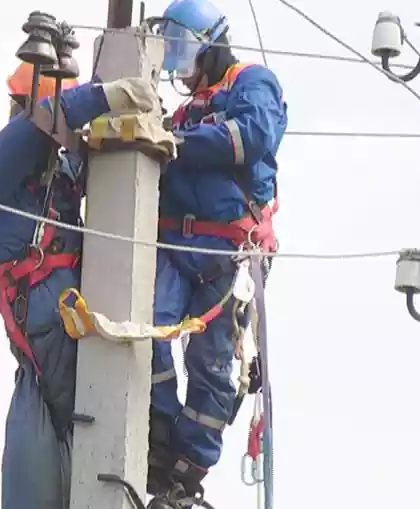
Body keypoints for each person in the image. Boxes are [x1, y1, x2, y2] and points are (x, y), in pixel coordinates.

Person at [0, 61, 160, 509]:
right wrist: (95, 98)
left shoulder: (59, 176)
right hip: (47, 361)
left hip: (75, 352)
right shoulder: (1, 194)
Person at [145, 0, 288, 506]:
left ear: (212, 46)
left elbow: (250, 136)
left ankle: (187, 467)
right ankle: (157, 436)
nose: (182, 72)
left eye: (186, 57)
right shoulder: (185, 112)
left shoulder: (253, 84)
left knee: (211, 366)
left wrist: (177, 141)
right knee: (148, 331)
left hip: (229, 252)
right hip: (178, 246)